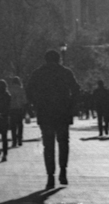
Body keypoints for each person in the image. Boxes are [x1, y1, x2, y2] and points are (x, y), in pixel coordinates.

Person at [26, 49, 81, 189]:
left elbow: (29, 90)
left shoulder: (38, 73)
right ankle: (63, 170)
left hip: (45, 112)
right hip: (62, 112)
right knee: (63, 142)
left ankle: (50, 176)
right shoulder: (65, 72)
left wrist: (35, 103)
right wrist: (71, 105)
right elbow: (76, 89)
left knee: (48, 145)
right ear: (58, 59)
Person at [8, 76, 28, 147]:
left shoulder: (9, 89)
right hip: (19, 108)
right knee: (20, 124)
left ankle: (14, 141)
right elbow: (25, 100)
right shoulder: (21, 89)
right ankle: (20, 139)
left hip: (12, 108)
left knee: (13, 125)